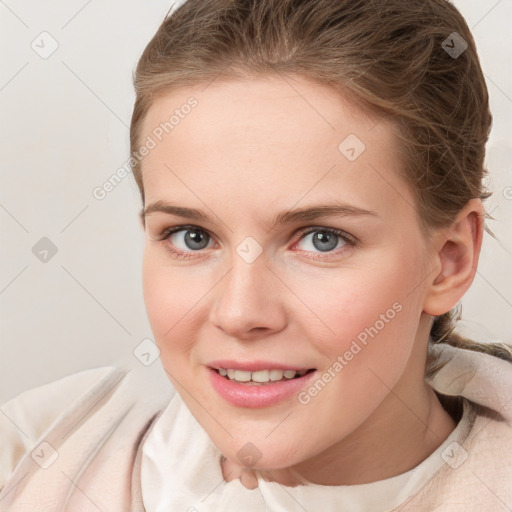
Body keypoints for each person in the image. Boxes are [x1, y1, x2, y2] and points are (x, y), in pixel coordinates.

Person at [1, 0, 511, 510]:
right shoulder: (29, 453)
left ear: (449, 259)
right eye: (191, 236)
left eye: (321, 239)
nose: (240, 313)